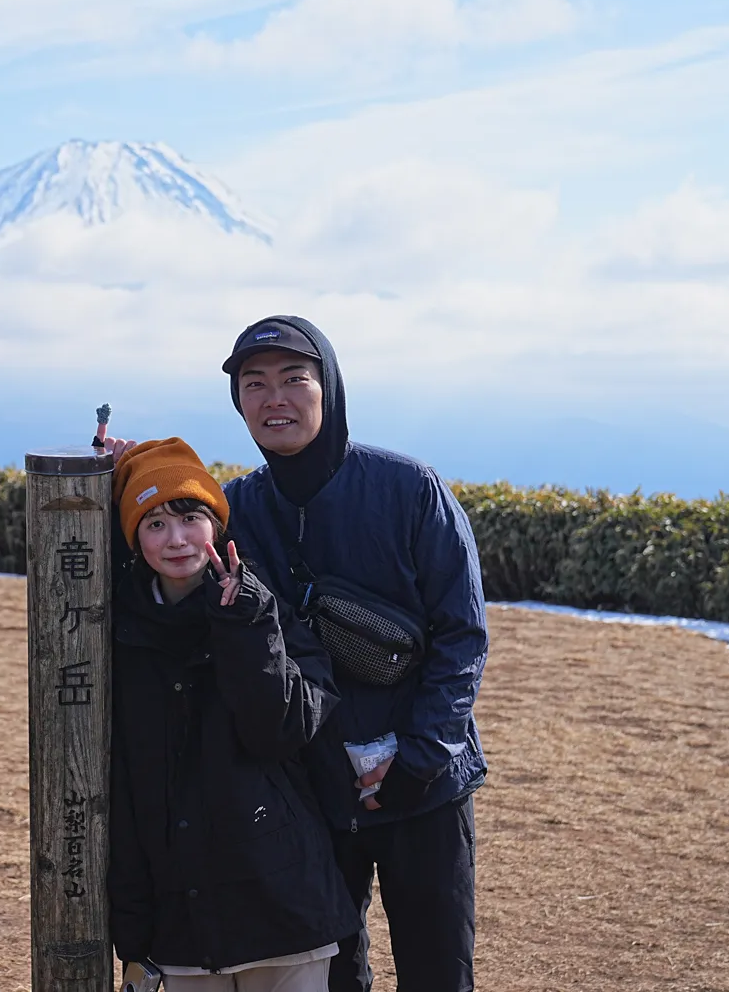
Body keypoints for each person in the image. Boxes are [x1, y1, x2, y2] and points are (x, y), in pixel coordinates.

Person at [217, 316, 488, 992]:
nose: (273, 398)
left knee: (437, 974)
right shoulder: (238, 509)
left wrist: (421, 759)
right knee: (329, 977)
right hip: (309, 794)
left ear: (328, 388)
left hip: (424, 791)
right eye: (255, 384)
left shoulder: (408, 489)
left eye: (292, 379)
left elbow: (463, 633)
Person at [108, 437, 358, 992]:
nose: (176, 539)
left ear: (218, 524)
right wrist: (133, 930)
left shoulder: (266, 610)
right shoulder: (116, 633)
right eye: (153, 523)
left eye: (191, 516)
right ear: (131, 537)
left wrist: (246, 626)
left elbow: (281, 730)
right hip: (178, 919)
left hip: (284, 906)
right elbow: (124, 788)